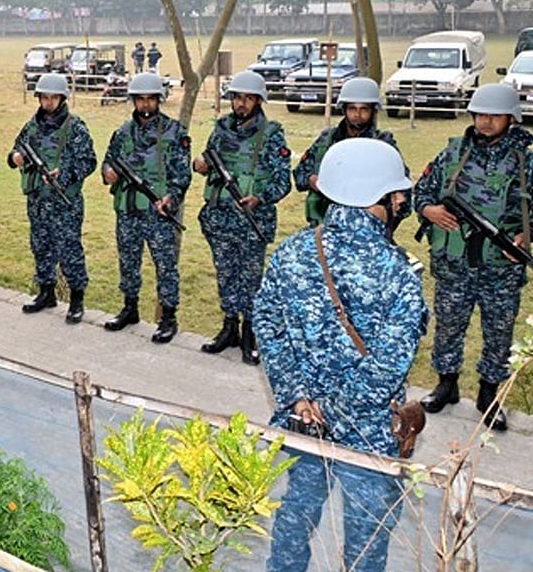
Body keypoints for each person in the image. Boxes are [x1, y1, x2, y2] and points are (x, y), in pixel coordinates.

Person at [254, 138, 425, 572]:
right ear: (378, 198)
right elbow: (387, 368)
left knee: (295, 519)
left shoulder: (291, 252)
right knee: (366, 542)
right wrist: (334, 409)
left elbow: (266, 324)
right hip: (366, 436)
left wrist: (298, 400)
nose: (403, 199)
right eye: (397, 192)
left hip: (303, 423)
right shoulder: (398, 273)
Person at [413, 83, 533, 431]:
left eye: (494, 116)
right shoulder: (452, 154)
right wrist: (429, 209)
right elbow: (420, 191)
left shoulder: (530, 164)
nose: (485, 122)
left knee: (499, 332)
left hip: (501, 267)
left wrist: (530, 233)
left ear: (512, 118)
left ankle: (488, 394)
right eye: (480, 114)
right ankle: (446, 384)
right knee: (449, 324)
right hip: (454, 264)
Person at [193, 71, 291, 365]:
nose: (241, 103)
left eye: (248, 98)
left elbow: (282, 181)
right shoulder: (221, 128)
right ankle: (229, 328)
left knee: (251, 280)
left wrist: (260, 197)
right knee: (225, 274)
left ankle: (250, 333)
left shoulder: (272, 135)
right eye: (237, 97)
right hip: (220, 217)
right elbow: (206, 159)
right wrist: (200, 164)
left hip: (251, 221)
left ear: (259, 101)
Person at [101, 72, 191, 343]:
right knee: (128, 261)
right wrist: (108, 173)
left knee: (165, 266)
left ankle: (168, 318)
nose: (145, 105)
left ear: (159, 100)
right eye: (140, 99)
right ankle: (130, 308)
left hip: (159, 213)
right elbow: (108, 162)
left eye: (150, 99)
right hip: (128, 209)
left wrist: (171, 199)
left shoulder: (174, 132)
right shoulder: (122, 133)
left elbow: (182, 174)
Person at [8, 73, 97, 323]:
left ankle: (77, 299)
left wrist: (65, 174)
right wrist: (16, 157)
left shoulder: (75, 127)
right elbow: (16, 148)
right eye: (44, 97)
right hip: (38, 201)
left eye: (53, 98)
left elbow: (89, 161)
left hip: (64, 202)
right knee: (41, 247)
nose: (48, 103)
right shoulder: (32, 126)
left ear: (62, 98)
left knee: (69, 250)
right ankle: (46, 293)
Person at [293, 77, 407, 226]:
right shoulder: (327, 140)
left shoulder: (383, 145)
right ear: (344, 109)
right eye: (352, 108)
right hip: (326, 225)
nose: (357, 114)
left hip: (368, 229)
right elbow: (300, 173)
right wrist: (313, 181)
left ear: (373, 111)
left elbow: (403, 194)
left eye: (364, 109)